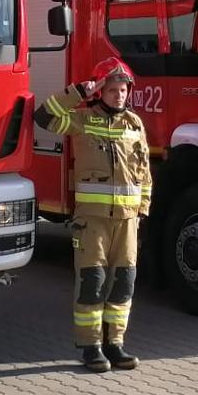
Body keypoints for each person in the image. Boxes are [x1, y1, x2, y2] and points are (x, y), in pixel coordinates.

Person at [33, 58, 153, 372]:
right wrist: (78, 91)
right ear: (101, 92)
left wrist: (141, 212)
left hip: (127, 221)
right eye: (111, 89)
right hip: (93, 221)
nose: (118, 95)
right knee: (93, 283)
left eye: (123, 89)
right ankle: (91, 347)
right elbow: (43, 117)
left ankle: (116, 344)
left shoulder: (135, 124)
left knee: (123, 284)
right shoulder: (83, 119)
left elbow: (144, 172)